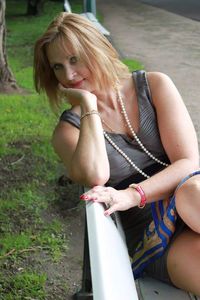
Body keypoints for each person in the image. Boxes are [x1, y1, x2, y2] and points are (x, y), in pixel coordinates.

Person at [34, 12, 200, 295]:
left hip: (190, 197)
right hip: (155, 235)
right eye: (58, 67)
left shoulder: (154, 86)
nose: (69, 75)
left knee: (190, 195)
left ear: (95, 48)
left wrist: (132, 194)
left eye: (74, 59)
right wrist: (89, 105)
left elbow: (188, 162)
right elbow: (95, 174)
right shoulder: (68, 131)